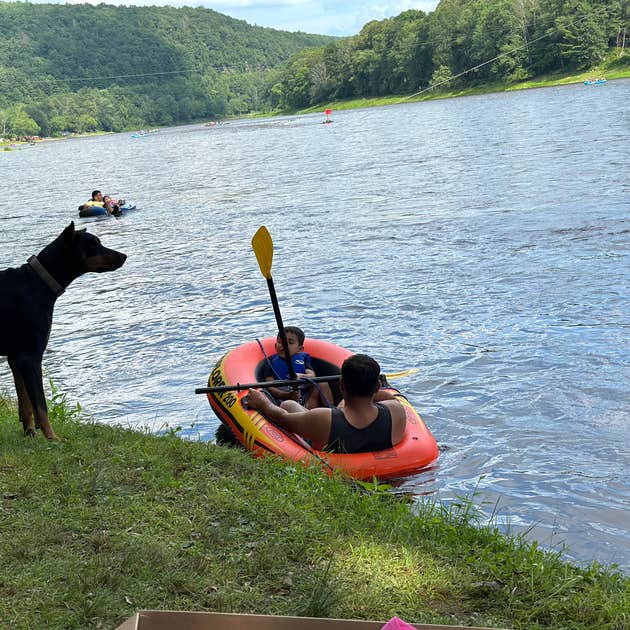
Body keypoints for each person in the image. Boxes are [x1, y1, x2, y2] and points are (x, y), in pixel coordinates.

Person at [246, 353, 406, 453]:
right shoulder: (395, 410)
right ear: (377, 386)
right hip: (378, 458)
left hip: (330, 441)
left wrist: (263, 403)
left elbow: (282, 418)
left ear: (341, 385)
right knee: (291, 405)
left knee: (288, 405)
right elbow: (387, 396)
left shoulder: (324, 418)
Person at [261, 326, 333, 409]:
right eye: (280, 342)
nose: (284, 345)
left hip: (305, 395)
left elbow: (312, 375)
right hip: (284, 398)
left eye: (290, 343)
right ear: (275, 346)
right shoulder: (270, 363)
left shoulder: (303, 359)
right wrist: (286, 395)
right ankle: (308, 414)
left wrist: (300, 376)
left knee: (322, 383)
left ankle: (331, 410)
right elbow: (270, 386)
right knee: (289, 404)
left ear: (299, 349)